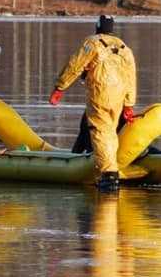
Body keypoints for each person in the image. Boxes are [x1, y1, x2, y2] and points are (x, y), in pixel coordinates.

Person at [50, 15, 136, 192]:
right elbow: (131, 77)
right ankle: (110, 165)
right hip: (119, 96)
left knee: (100, 131)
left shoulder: (93, 43)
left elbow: (75, 66)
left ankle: (109, 174)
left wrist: (60, 87)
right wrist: (129, 103)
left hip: (100, 93)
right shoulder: (124, 48)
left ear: (97, 27)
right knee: (110, 132)